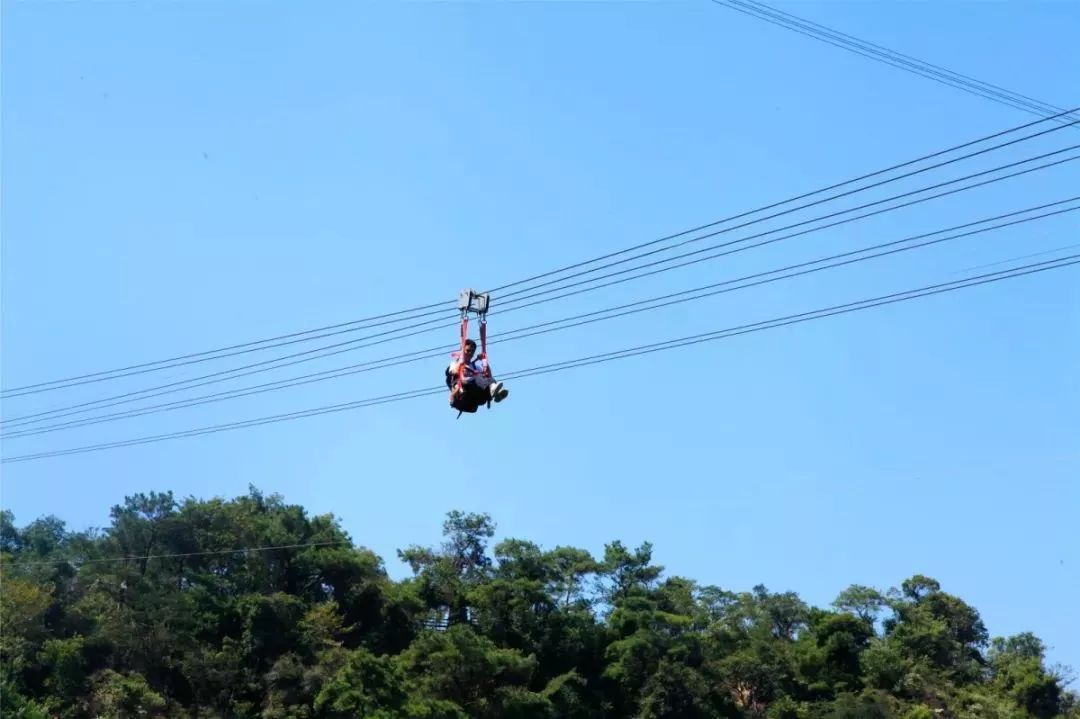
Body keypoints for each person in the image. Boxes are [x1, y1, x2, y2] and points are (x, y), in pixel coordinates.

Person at [446, 339, 508, 410]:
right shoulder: (456, 363)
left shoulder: (475, 367)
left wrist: (484, 360)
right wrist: (461, 365)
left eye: (472, 352)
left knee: (486, 378)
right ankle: (494, 391)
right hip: (464, 386)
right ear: (462, 351)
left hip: (476, 389)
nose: (470, 353)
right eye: (468, 350)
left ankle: (496, 393)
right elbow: (453, 372)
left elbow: (488, 375)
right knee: (477, 376)